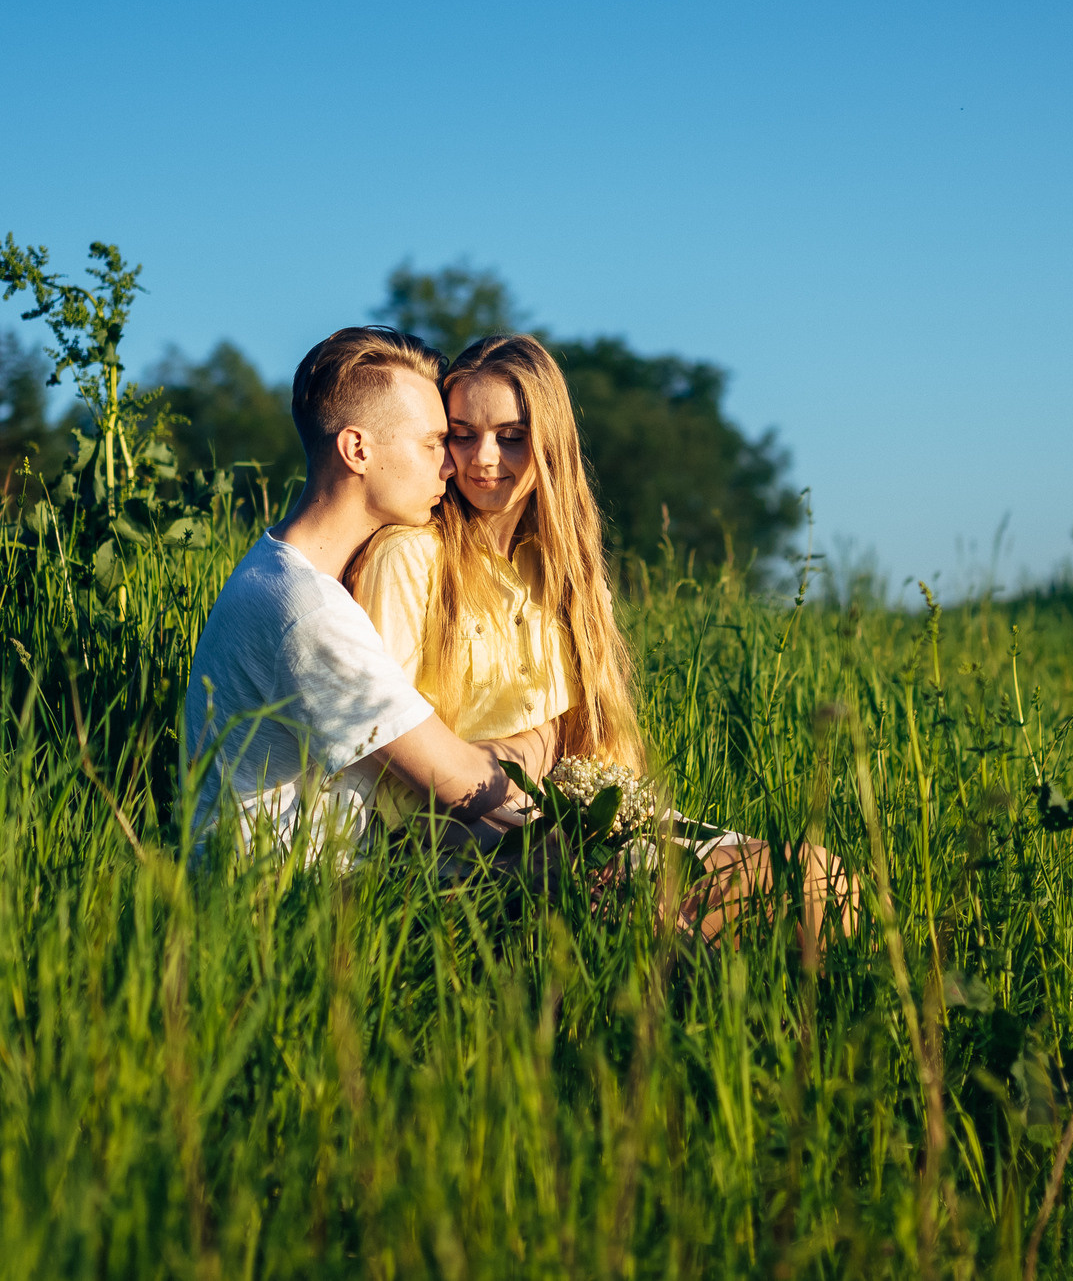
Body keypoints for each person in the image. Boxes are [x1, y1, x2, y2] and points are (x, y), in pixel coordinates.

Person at [347, 333, 852, 945]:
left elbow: (598, 742)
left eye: (510, 435)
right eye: (462, 433)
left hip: (584, 819)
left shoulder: (565, 571)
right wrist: (540, 747)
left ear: (549, 441)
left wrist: (599, 802)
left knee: (825, 880)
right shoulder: (409, 557)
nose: (483, 457)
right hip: (461, 841)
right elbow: (384, 750)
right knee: (734, 904)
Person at [181, 326, 533, 857]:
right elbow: (461, 784)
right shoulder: (306, 611)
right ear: (358, 449)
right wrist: (552, 741)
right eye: (433, 442)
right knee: (626, 874)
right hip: (286, 907)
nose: (450, 464)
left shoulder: (280, 572)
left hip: (340, 881)